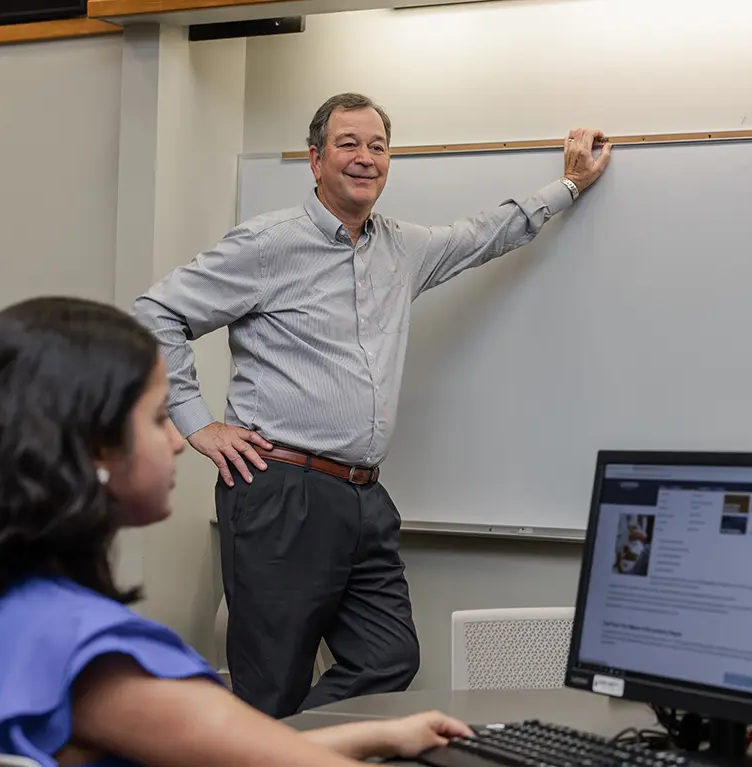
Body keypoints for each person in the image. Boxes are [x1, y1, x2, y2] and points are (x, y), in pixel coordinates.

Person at [133, 93, 612, 717]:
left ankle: (284, 745)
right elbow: (155, 314)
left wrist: (570, 185)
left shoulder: (401, 249)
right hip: (279, 489)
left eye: (378, 147)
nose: (365, 158)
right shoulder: (267, 243)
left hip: (363, 497)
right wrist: (198, 423)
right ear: (315, 159)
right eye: (348, 144)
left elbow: (485, 234)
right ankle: (270, 745)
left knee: (388, 657)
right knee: (271, 681)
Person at [0, 297, 474, 766]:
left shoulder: (13, 613)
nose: (176, 440)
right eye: (159, 417)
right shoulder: (101, 659)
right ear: (92, 448)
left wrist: (385, 737)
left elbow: (245, 755)